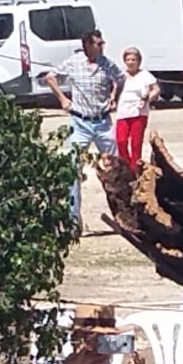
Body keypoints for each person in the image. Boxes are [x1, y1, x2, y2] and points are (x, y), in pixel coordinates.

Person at [45, 29, 124, 225]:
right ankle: (73, 219)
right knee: (73, 169)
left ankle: (123, 215)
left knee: (115, 168)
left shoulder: (107, 64)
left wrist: (114, 97)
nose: (102, 46)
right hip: (80, 122)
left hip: (103, 121)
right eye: (98, 43)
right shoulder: (74, 62)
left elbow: (120, 79)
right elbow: (50, 77)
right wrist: (63, 99)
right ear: (87, 45)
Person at [113, 48, 159, 168]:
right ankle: (126, 166)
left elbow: (156, 89)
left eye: (134, 59)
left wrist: (149, 97)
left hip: (139, 112)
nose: (131, 62)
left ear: (139, 61)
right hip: (123, 111)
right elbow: (114, 90)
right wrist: (112, 99)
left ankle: (135, 169)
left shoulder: (145, 75)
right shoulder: (121, 75)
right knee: (121, 141)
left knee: (136, 143)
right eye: (128, 59)